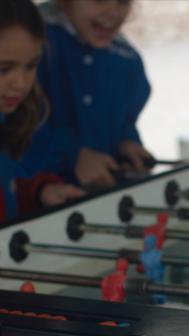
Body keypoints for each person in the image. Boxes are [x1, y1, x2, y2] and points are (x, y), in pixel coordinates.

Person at [22, 0, 152, 187]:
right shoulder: (31, 44)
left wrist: (126, 142)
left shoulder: (127, 60)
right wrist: (73, 156)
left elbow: (125, 120)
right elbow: (16, 124)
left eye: (123, 2)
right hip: (36, 194)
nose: (113, 12)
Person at [0, 0, 84, 222]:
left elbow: (6, 194)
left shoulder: (6, 122)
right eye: (4, 69)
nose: (20, 83)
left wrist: (37, 193)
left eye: (30, 66)